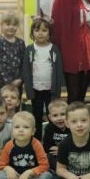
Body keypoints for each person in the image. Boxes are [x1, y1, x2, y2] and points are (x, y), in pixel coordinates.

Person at [50, 0, 90, 103]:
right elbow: (57, 31)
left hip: (89, 50)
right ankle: (71, 118)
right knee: (74, 93)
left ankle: (80, 118)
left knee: (82, 93)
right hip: (71, 51)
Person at [22, 14, 63, 142]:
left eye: (44, 30)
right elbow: (26, 71)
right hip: (36, 89)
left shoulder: (54, 49)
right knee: (37, 115)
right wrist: (28, 91)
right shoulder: (29, 49)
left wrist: (57, 92)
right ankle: (37, 140)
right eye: (37, 30)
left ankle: (51, 140)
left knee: (52, 115)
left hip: (50, 89)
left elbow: (58, 71)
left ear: (49, 33)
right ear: (32, 33)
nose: (40, 33)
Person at [0, 111, 52, 179]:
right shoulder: (9, 145)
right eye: (17, 127)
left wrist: (30, 172)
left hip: (32, 178)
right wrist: (7, 168)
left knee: (48, 176)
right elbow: (0, 165)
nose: (21, 130)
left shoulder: (36, 144)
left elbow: (45, 165)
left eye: (26, 127)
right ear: (12, 130)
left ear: (33, 131)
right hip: (15, 177)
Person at [0, 11, 25, 94]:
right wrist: (9, 82)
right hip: (1, 84)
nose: (11, 27)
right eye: (8, 24)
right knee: (1, 102)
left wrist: (20, 79)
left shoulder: (21, 43)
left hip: (17, 83)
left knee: (15, 101)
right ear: (1, 25)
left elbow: (24, 63)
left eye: (14, 25)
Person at [41, 98, 69, 171]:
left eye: (62, 114)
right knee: (48, 158)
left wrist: (61, 150)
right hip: (54, 155)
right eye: (55, 115)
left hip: (69, 153)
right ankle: (60, 171)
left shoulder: (71, 127)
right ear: (50, 117)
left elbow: (76, 145)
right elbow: (47, 146)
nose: (59, 118)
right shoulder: (49, 128)